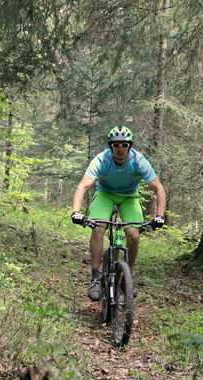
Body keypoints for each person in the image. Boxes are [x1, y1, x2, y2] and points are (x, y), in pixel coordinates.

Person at [71, 126, 167, 300]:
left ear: (129, 146)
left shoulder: (138, 160)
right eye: (116, 145)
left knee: (134, 234)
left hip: (129, 196)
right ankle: (95, 277)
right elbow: (83, 186)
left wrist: (159, 215)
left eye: (124, 145)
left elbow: (158, 188)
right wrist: (76, 212)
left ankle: (127, 277)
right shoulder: (101, 159)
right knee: (98, 227)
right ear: (110, 146)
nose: (120, 149)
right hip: (105, 194)